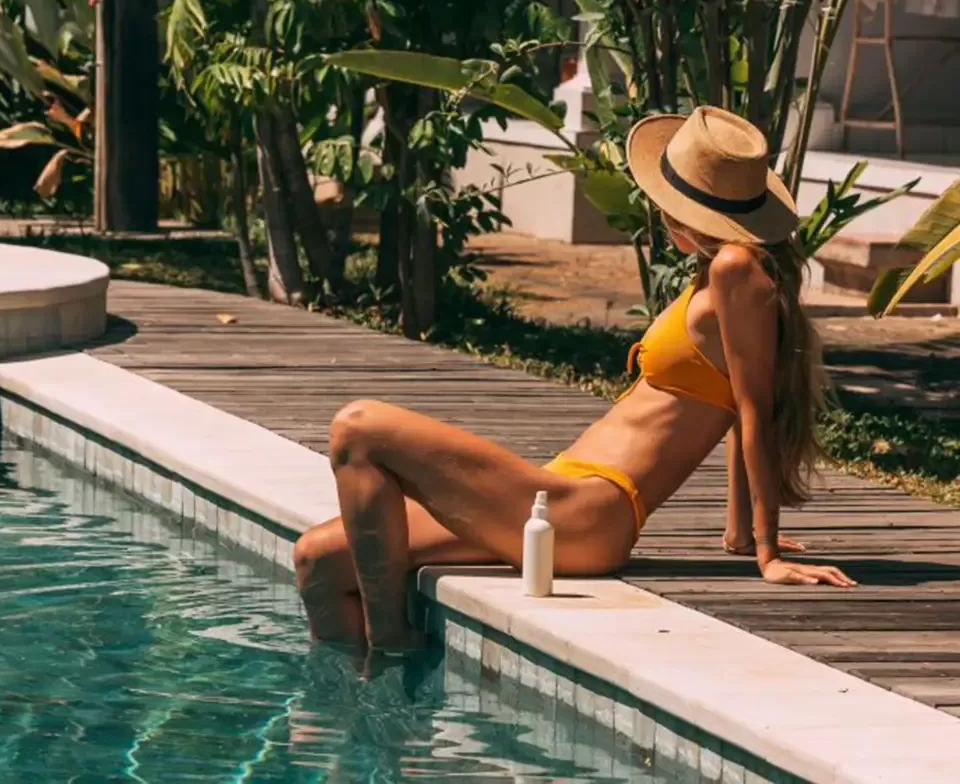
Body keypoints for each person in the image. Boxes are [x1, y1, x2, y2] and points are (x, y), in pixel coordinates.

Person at [293, 106, 856, 654]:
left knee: (358, 427)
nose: (659, 213)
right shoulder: (714, 273)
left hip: (590, 510)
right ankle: (366, 719)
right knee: (317, 561)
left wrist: (766, 553)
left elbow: (753, 408)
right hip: (557, 493)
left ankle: (393, 644)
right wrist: (738, 535)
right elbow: (737, 406)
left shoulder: (737, 270)